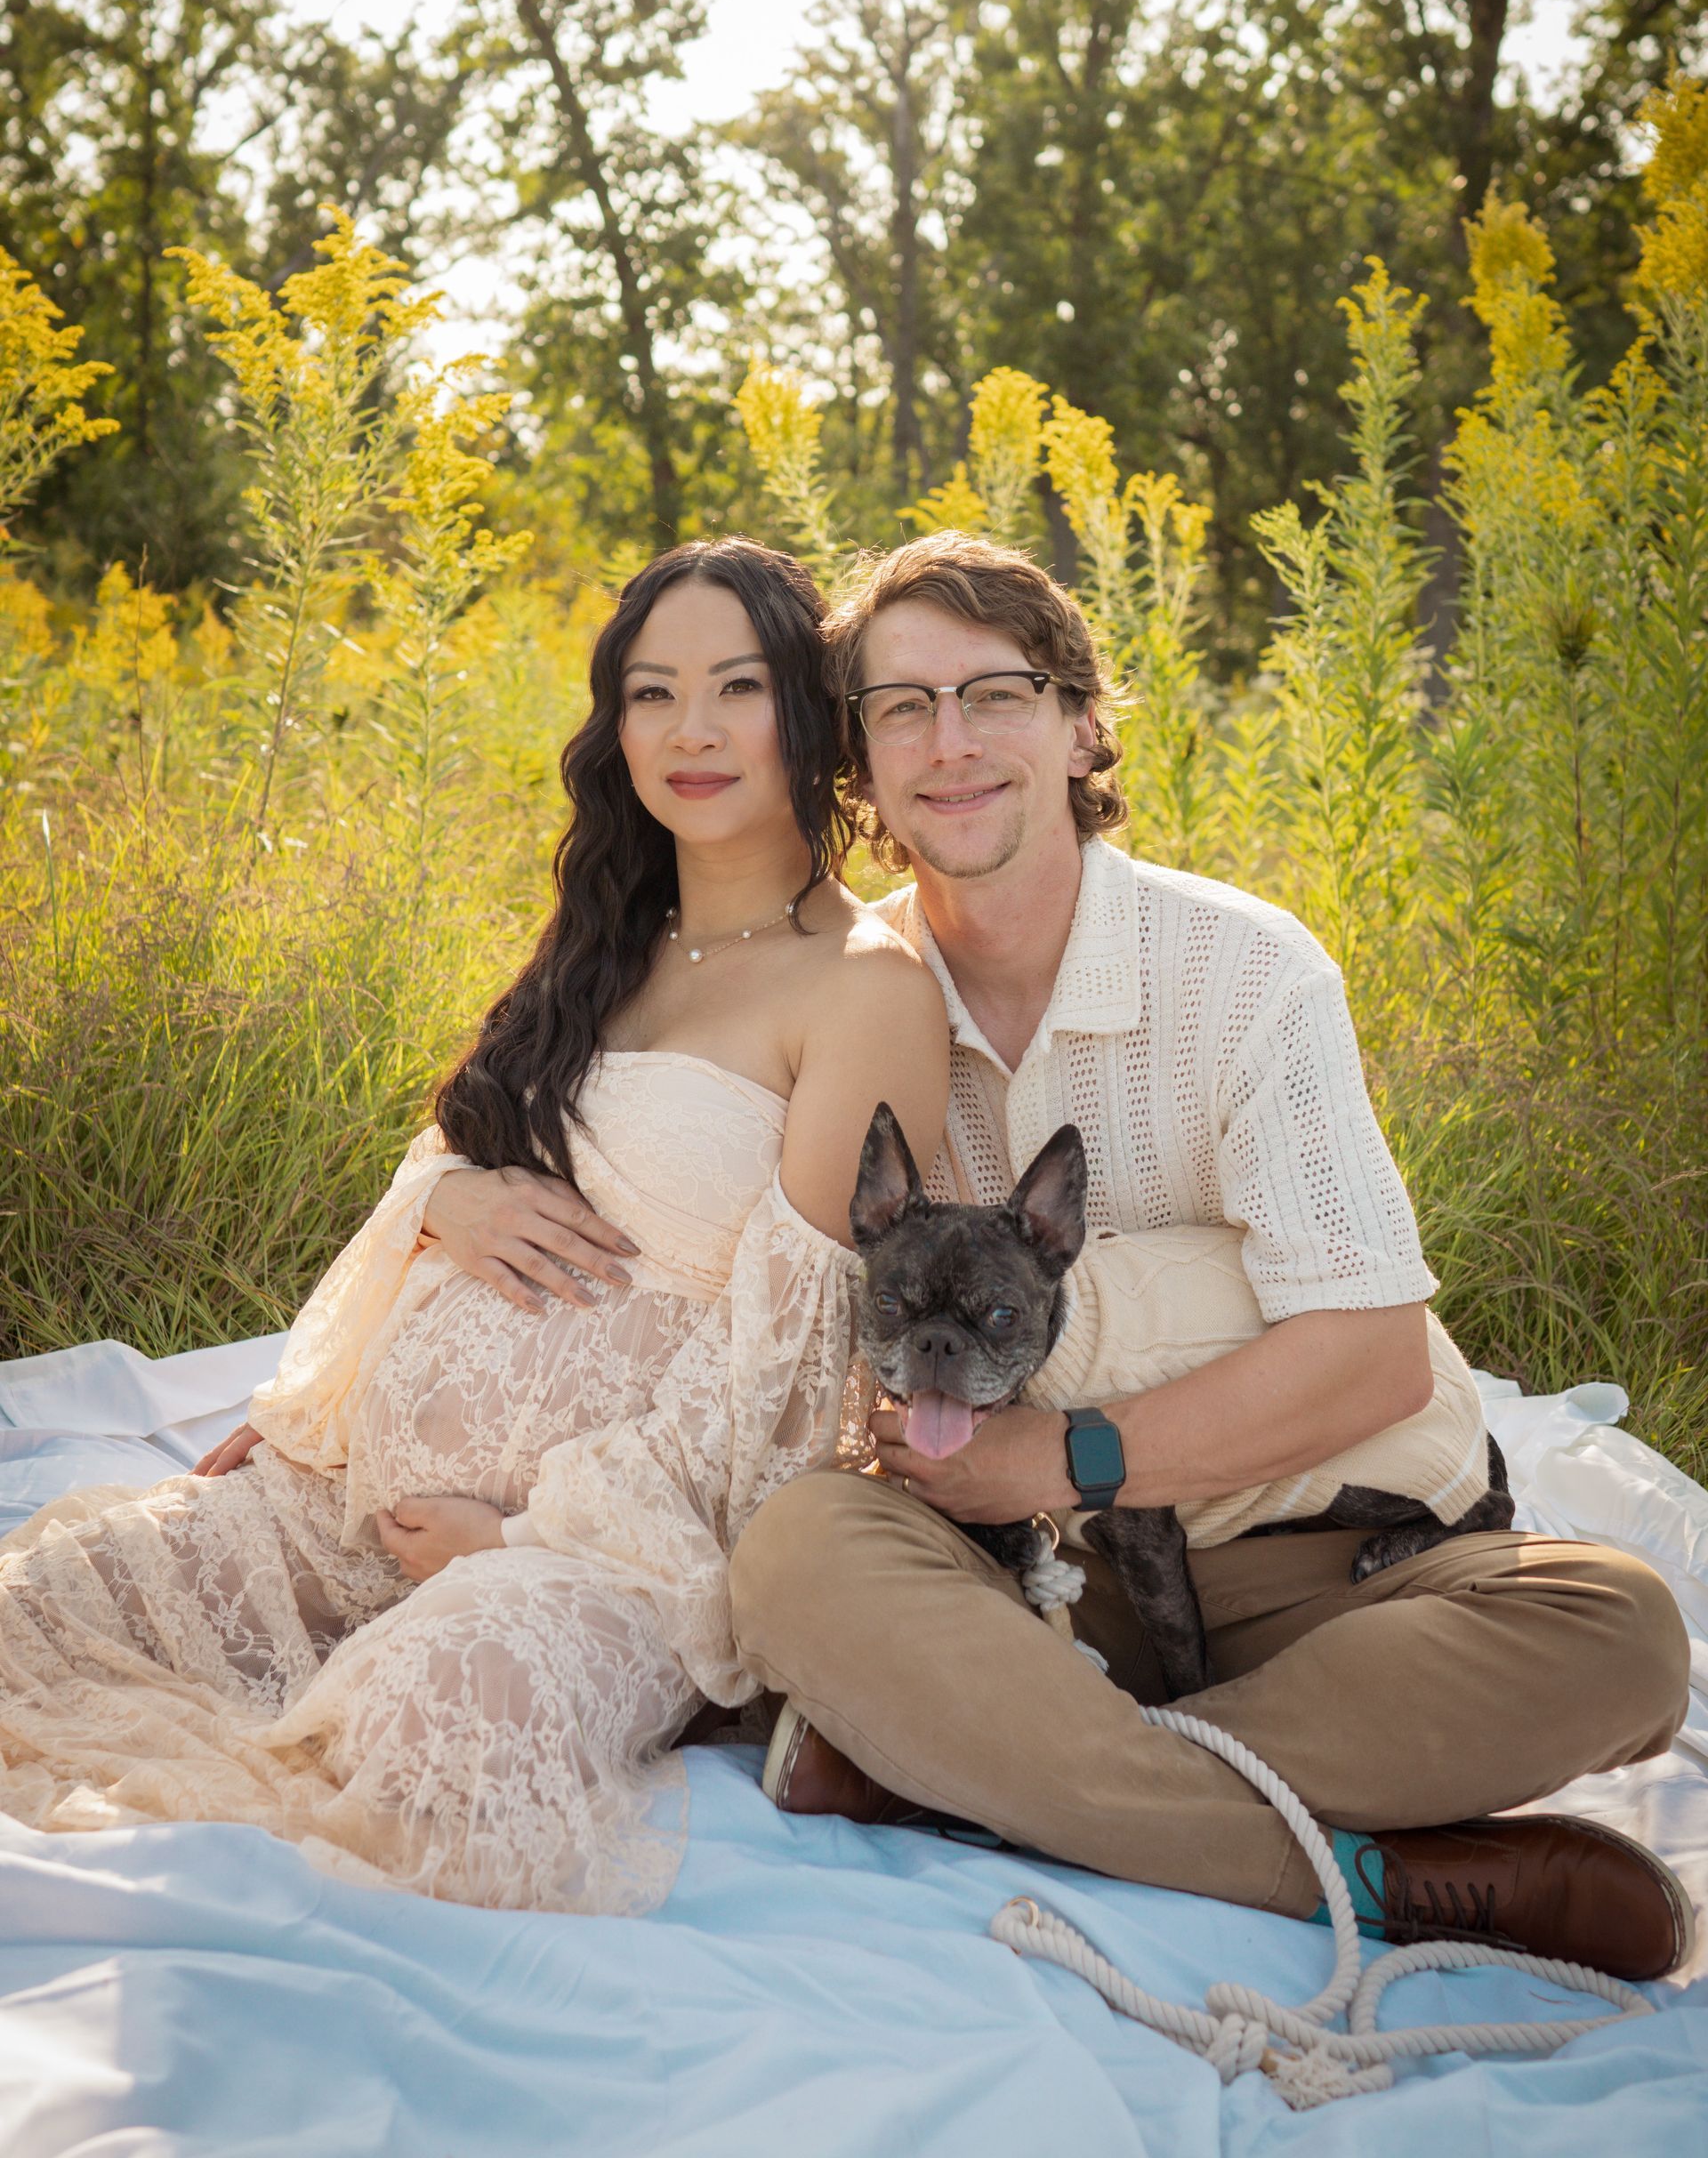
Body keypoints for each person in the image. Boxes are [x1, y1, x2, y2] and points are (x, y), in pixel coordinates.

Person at [725, 532, 1695, 1985]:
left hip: (1335, 1578)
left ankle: (975, 1773)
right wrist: (460, 1198)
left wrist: (1065, 1460)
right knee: (795, 1555)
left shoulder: (1245, 971)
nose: (952, 742)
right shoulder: (847, 994)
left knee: (1622, 1632)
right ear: (856, 755)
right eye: (899, 707)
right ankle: (1376, 1876)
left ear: (1077, 724)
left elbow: (1368, 1355)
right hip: (1048, 1591)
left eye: (995, 693)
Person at [0, 539, 947, 1913]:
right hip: (351, 1506)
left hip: (602, 1554)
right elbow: (448, 1157)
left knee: (445, 1729)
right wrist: (437, 1219)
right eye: (650, 692)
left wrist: (525, 1533)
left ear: (811, 710)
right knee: (40, 1604)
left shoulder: (865, 990)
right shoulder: (607, 937)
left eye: (737, 688)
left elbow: (793, 1373)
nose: (689, 731)